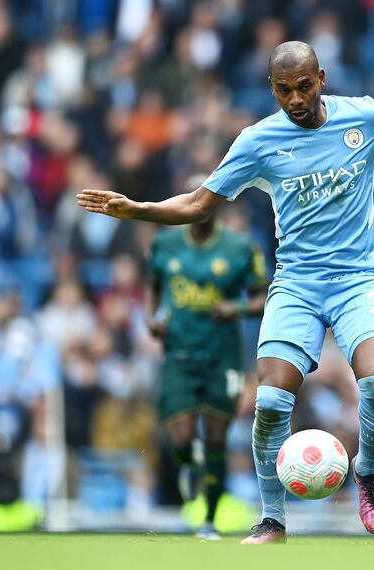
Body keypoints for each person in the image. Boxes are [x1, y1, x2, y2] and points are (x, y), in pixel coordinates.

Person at [76, 41, 374, 544]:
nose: (296, 99)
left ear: (322, 77)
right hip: (297, 284)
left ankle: (367, 470)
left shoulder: (365, 117)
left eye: (304, 86)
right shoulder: (258, 141)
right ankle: (273, 520)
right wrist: (138, 209)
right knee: (269, 402)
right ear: (272, 90)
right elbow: (199, 204)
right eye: (284, 90)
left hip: (356, 280)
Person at [146, 199, 267, 541]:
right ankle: (189, 461)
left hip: (222, 356)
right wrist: (150, 318)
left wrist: (237, 307)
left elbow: (263, 295)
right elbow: (153, 285)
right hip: (179, 354)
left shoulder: (240, 247)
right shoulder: (164, 243)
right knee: (180, 437)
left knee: (216, 437)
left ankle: (209, 521)